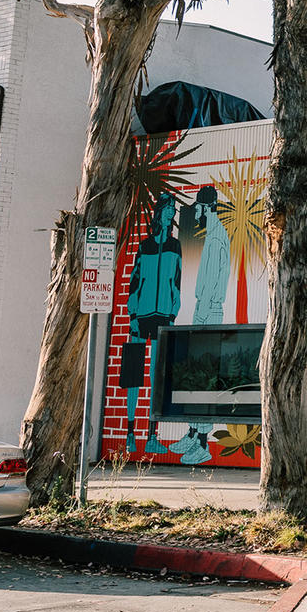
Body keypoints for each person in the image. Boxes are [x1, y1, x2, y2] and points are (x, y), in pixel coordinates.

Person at [169, 185, 230, 465]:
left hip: (209, 310)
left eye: (199, 209)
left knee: (204, 377)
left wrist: (204, 314)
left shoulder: (217, 238)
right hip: (203, 308)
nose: (197, 215)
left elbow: (216, 284)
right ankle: (193, 433)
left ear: (207, 208)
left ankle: (203, 442)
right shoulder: (213, 237)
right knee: (196, 375)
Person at [121, 193, 179, 455]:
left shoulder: (174, 246)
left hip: (163, 316)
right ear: (160, 212)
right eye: (168, 209)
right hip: (141, 316)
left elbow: (176, 281)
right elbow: (134, 280)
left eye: (174, 210)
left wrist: (173, 313)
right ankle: (130, 433)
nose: (172, 213)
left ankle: (151, 435)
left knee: (157, 376)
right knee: (135, 376)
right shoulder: (144, 246)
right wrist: (132, 314)